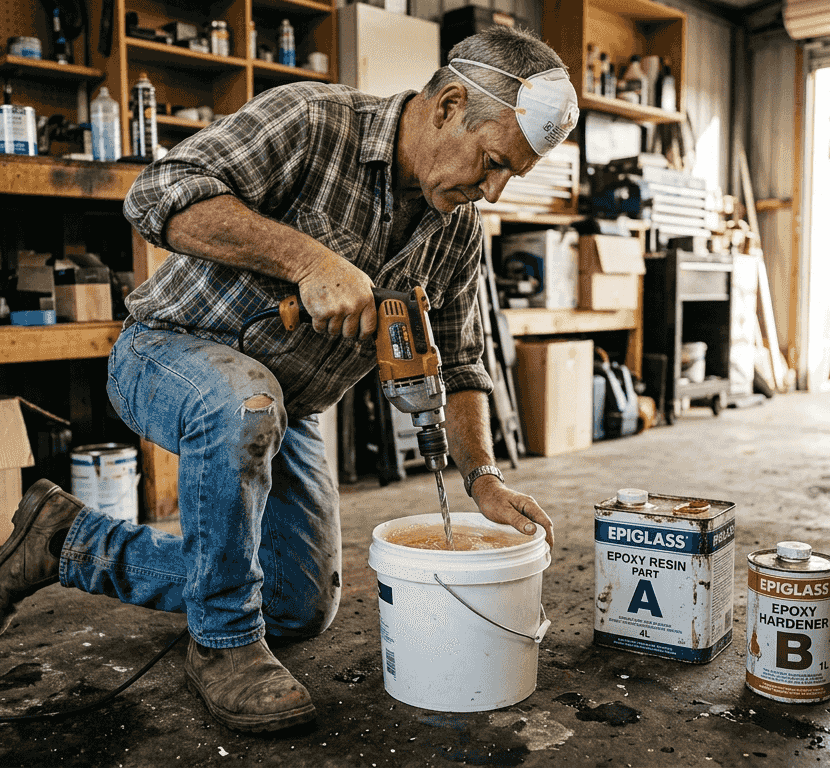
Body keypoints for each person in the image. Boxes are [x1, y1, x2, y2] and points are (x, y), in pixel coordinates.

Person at [0, 25, 577, 732]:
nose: (490, 189)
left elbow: (459, 367)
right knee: (246, 403)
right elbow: (157, 193)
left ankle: (67, 540)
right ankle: (223, 643)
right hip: (166, 353)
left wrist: (483, 476)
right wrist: (308, 261)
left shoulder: (456, 230)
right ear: (449, 103)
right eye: (490, 161)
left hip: (287, 407)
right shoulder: (312, 121)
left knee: (300, 607)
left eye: (508, 176)